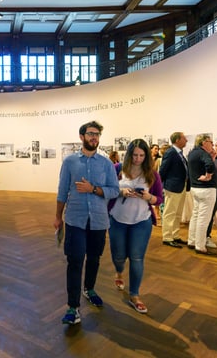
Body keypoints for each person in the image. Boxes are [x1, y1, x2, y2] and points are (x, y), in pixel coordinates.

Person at [54, 121, 120, 325]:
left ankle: (89, 289)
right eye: (91, 134)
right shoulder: (70, 162)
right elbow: (62, 190)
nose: (94, 137)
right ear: (81, 136)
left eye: (97, 134)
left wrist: (93, 189)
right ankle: (72, 307)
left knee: (94, 258)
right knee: (75, 261)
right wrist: (58, 217)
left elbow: (114, 190)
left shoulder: (106, 164)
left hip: (99, 220)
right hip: (75, 218)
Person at [108, 139, 163, 314]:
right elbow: (107, 190)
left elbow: (159, 199)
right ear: (129, 154)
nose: (138, 159)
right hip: (117, 219)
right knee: (118, 256)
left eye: (141, 155)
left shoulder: (152, 175)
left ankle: (134, 295)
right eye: (135, 155)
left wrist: (148, 197)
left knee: (137, 258)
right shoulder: (117, 170)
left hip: (141, 221)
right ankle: (118, 272)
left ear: (146, 156)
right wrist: (120, 192)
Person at [187, 134, 217, 255]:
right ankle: (200, 246)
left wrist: (212, 158)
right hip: (206, 190)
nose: (212, 145)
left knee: (196, 215)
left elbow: (202, 165)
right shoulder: (203, 153)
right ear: (204, 142)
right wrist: (208, 176)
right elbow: (209, 165)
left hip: (195, 188)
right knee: (203, 219)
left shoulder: (193, 152)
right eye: (211, 142)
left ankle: (192, 241)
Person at [159, 132, 190, 248]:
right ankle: (167, 237)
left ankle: (175, 235)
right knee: (170, 212)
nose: (186, 140)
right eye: (184, 138)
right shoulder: (171, 152)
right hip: (172, 187)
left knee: (178, 213)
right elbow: (162, 171)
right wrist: (161, 186)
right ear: (177, 140)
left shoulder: (180, 154)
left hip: (181, 186)